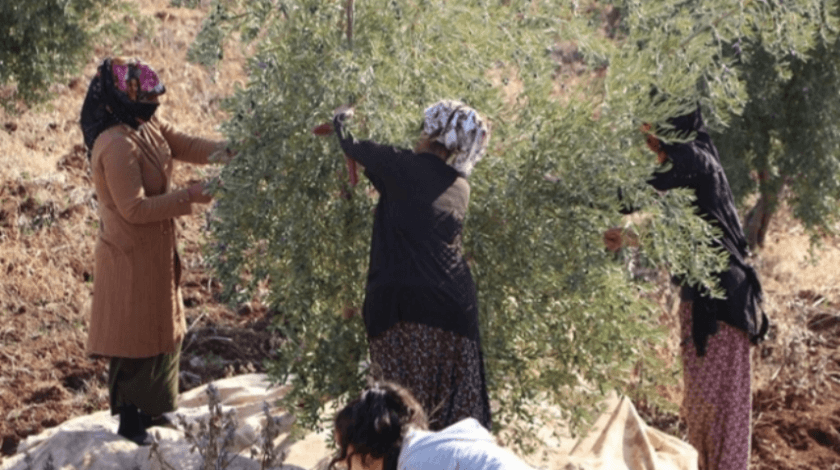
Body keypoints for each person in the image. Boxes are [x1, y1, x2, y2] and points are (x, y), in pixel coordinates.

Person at [604, 106, 769, 470]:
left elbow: (634, 194)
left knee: (720, 416)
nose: (651, 147)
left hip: (722, 306)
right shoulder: (693, 168)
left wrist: (584, 190)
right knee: (702, 411)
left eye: (654, 137)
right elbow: (681, 233)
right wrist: (627, 237)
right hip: (705, 304)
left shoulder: (693, 159)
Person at [80, 57, 232, 445]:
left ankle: (155, 409)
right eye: (146, 99)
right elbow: (133, 208)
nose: (153, 106)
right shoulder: (115, 144)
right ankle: (131, 421)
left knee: (163, 326)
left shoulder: (144, 125)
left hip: (155, 248)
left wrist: (236, 151)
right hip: (129, 254)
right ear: (121, 97)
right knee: (133, 336)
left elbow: (188, 145)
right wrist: (190, 196)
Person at [332, 100, 492, 431]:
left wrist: (347, 112)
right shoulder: (461, 187)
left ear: (431, 131)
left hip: (404, 306)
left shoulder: (404, 167)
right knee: (453, 423)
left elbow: (346, 137)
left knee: (401, 418)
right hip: (455, 312)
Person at [330, 382, 534, 470]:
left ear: (364, 445)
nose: (341, 462)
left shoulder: (418, 462)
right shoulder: (429, 452)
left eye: (343, 449)